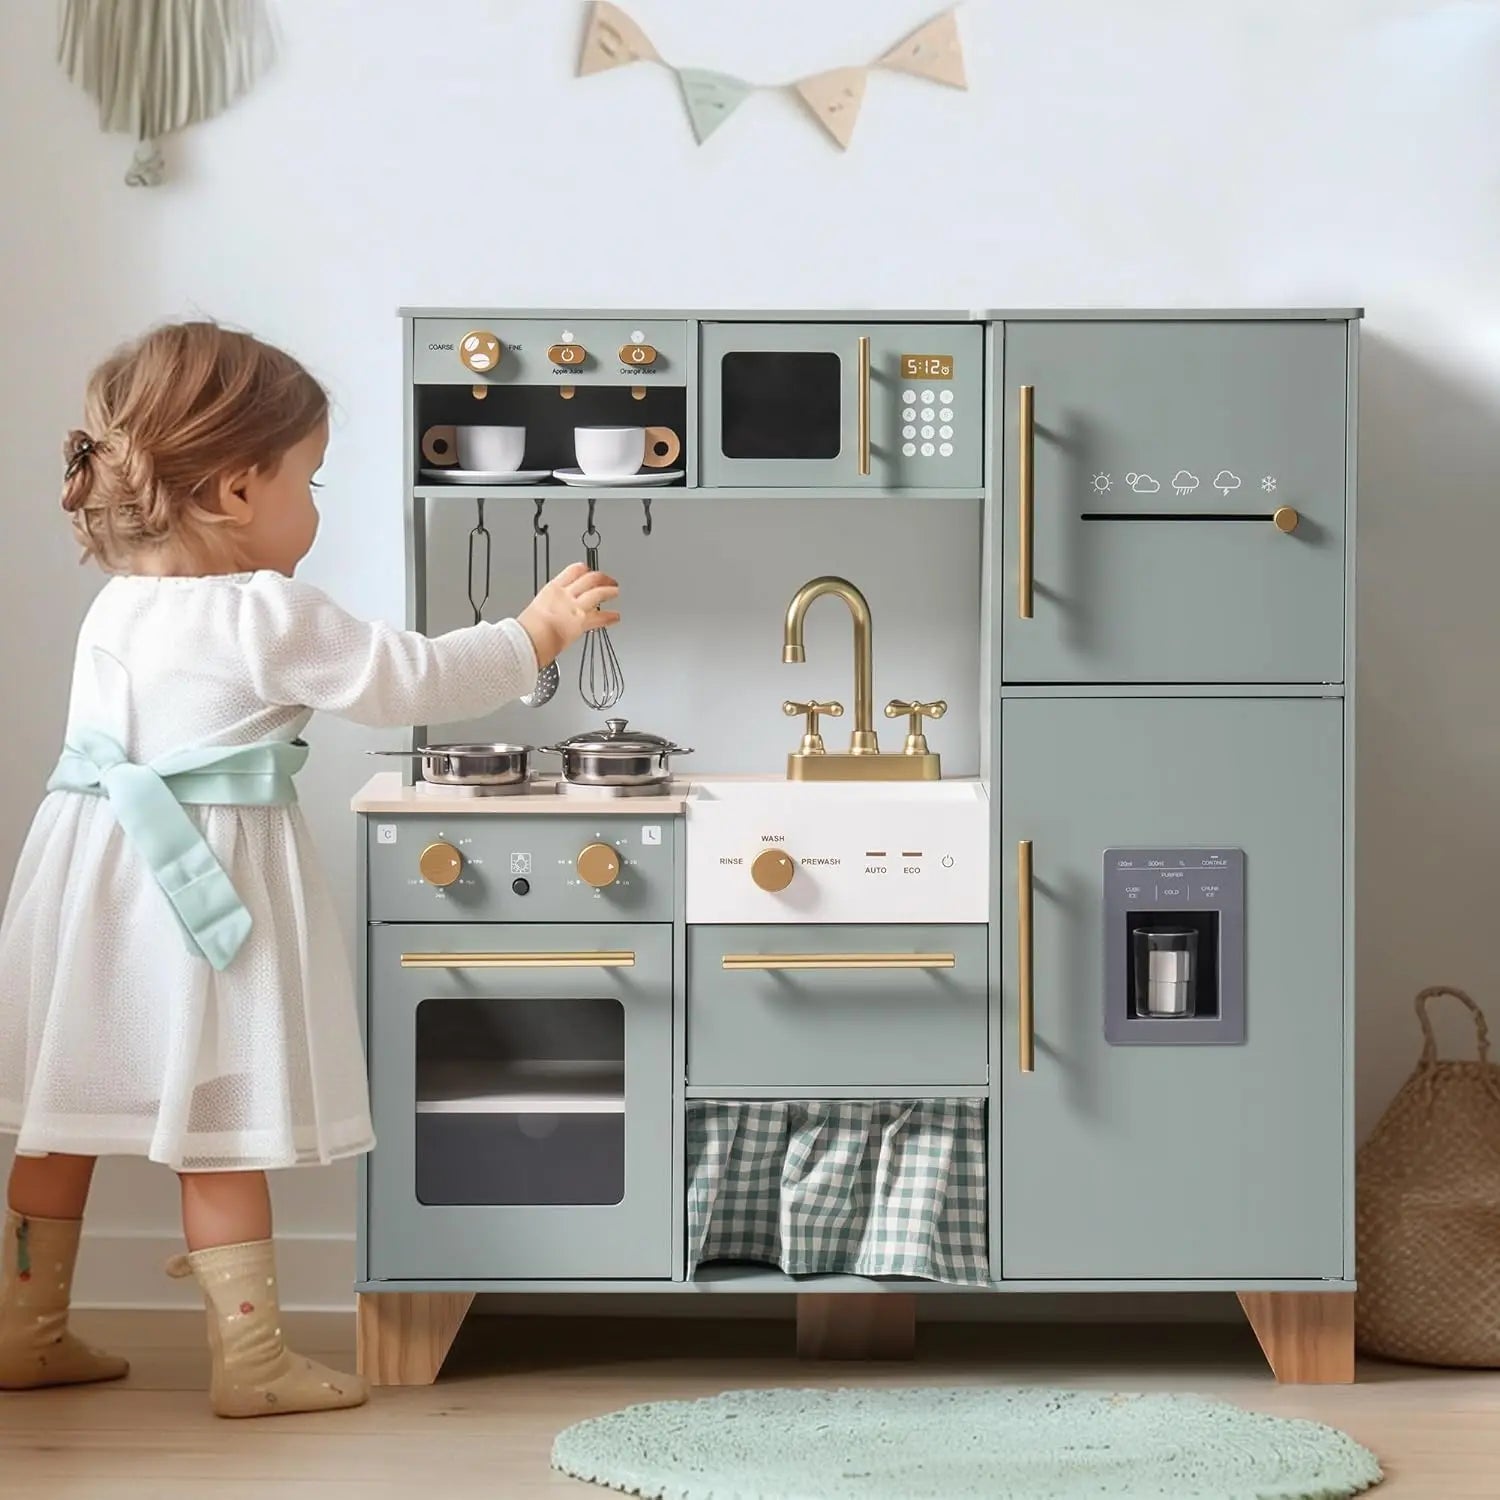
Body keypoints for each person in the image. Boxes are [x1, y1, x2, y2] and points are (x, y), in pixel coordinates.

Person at [0, 322, 618, 1416]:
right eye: (310, 477)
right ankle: (254, 1365)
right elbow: (412, 680)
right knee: (215, 1118)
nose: (316, 504)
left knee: (63, 1112)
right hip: (198, 890)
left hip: (88, 882)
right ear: (238, 489)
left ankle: (22, 1331)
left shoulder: (118, 604)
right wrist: (537, 630)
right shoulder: (264, 611)